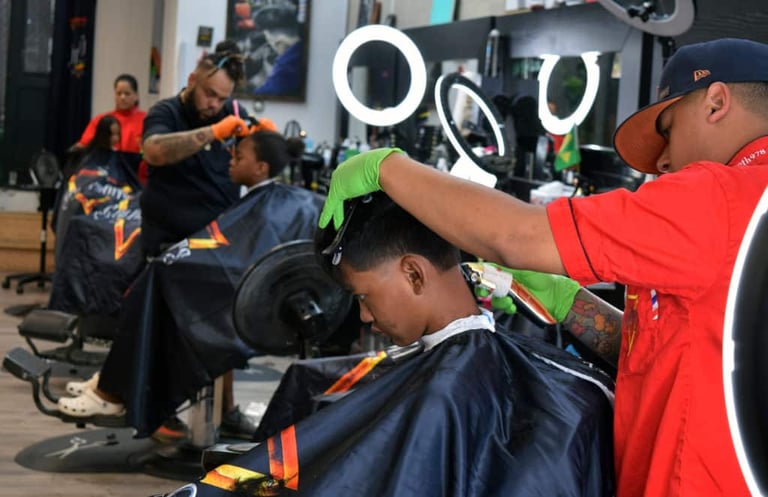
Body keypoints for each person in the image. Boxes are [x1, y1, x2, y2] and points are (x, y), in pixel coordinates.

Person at [318, 38, 768, 496]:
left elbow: (517, 236)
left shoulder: (723, 198)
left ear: (716, 102)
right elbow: (668, 356)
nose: (664, 160)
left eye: (667, 130)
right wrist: (566, 300)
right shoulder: (743, 211)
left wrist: (389, 169)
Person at [162, 191, 613, 497]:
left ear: (415, 273)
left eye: (362, 297)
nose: (363, 316)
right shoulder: (492, 378)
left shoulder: (446, 392)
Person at [57, 129, 319, 442]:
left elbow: (242, 259)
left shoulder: (274, 204)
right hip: (230, 291)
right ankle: (115, 384)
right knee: (156, 288)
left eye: (239, 157)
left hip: (242, 300)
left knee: (160, 292)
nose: (230, 162)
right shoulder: (270, 199)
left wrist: (183, 263)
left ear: (261, 168)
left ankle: (112, 392)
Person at [72, 74, 145, 154]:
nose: (122, 97)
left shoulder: (146, 120)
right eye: (119, 93)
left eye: (127, 93)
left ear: (136, 96)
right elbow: (84, 145)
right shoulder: (102, 120)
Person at [250, 4, 303, 97]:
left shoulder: (286, 65)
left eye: (268, 40)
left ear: (276, 41)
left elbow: (262, 95)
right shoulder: (303, 50)